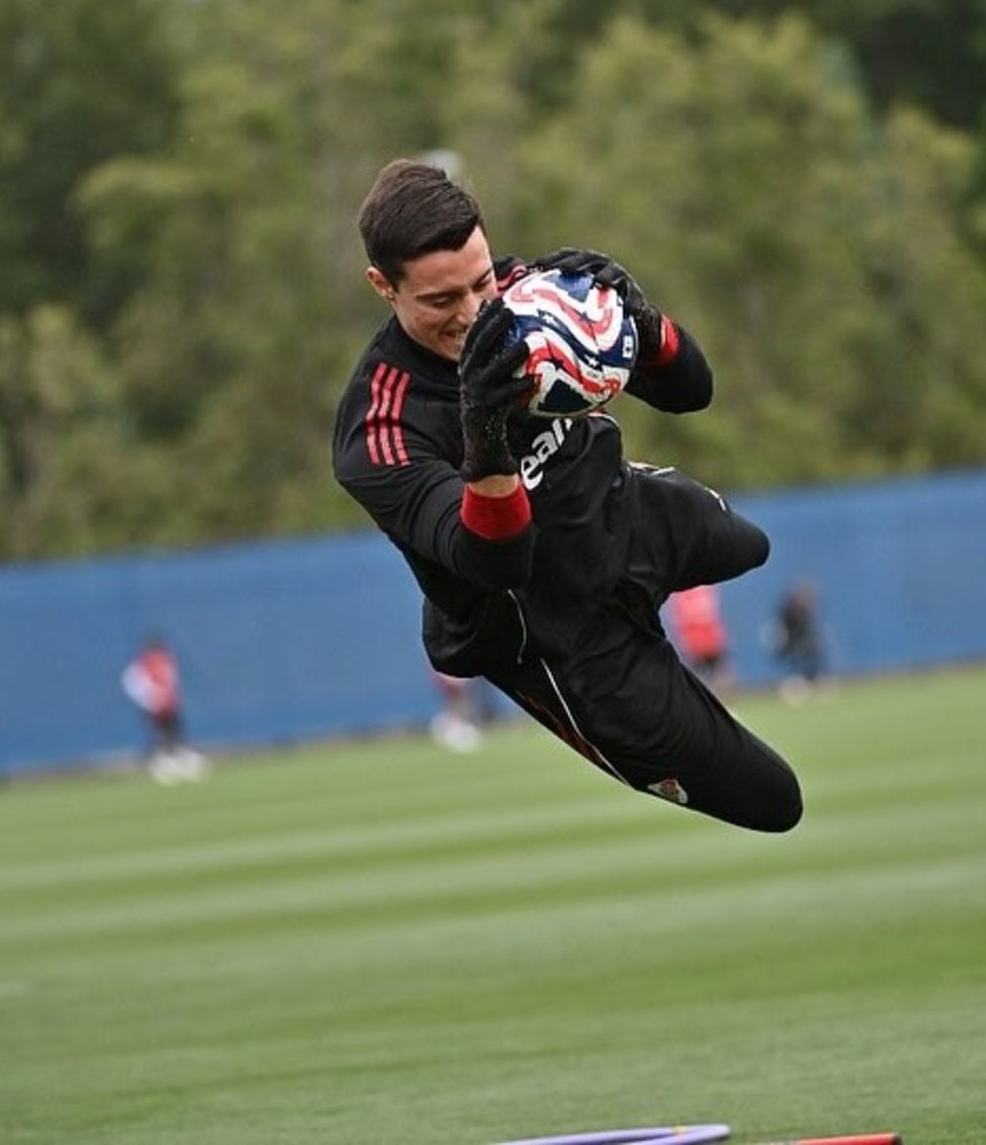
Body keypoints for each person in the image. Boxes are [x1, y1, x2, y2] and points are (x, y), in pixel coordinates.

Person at [331, 158, 801, 833]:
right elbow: (498, 563)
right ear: (384, 286)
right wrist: (484, 438)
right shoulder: (378, 430)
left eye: (480, 282)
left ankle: (629, 492)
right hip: (551, 630)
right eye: (441, 301)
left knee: (749, 544)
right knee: (773, 801)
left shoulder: (531, 296)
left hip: (619, 513)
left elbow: (690, 391)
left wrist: (641, 318)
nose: (471, 313)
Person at [121, 635, 208, 784]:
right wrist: (150, 698)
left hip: (170, 705)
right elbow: (133, 683)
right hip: (155, 707)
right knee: (161, 736)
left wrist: (168, 697)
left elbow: (170, 682)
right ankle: (163, 767)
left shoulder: (166, 661)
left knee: (176, 733)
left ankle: (182, 763)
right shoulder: (143, 665)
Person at [665, 584, 735, 696]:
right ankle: (724, 704)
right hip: (704, 638)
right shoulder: (704, 588)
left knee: (706, 676)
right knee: (719, 674)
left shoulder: (681, 593)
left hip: (697, 639)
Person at [770, 578, 828, 702]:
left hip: (803, 642)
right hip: (791, 642)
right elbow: (781, 632)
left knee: (813, 655)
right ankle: (795, 685)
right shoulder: (786, 611)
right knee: (796, 659)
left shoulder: (807, 614)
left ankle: (816, 682)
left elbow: (810, 633)